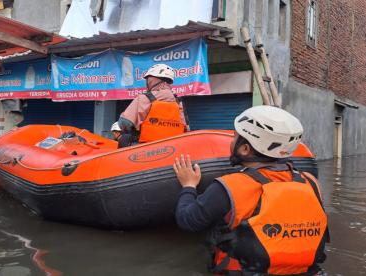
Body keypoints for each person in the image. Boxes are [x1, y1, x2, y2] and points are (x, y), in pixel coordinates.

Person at [173, 105, 329, 275]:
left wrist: (188, 185)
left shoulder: (229, 187)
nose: (232, 142)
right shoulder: (311, 182)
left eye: (235, 137)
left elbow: (188, 220)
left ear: (244, 149)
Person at [117, 64, 188, 148]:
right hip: (173, 149)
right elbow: (185, 128)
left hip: (145, 149)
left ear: (153, 81)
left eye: (148, 80)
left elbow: (124, 123)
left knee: (123, 139)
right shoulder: (178, 102)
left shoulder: (144, 98)